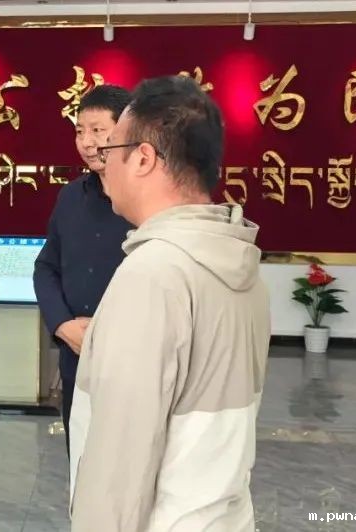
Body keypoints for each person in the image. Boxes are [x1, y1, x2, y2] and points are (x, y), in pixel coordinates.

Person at [68, 76, 271, 531]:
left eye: (111, 148)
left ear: (143, 158)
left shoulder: (153, 274)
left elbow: (120, 462)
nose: (102, 160)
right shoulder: (239, 261)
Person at [33, 85, 133, 453]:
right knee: (80, 458)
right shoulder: (71, 196)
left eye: (97, 130)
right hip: (76, 359)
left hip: (132, 363)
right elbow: (46, 267)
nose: (86, 142)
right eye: (79, 131)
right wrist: (62, 325)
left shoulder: (149, 202)